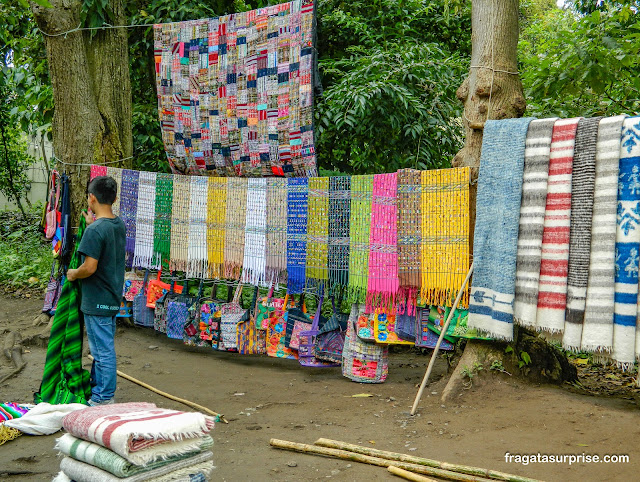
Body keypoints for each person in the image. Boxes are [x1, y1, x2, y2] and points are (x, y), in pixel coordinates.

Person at [66, 176, 125, 406]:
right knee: (103, 347)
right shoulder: (117, 224)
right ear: (115, 198)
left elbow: (89, 267)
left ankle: (103, 398)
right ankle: (99, 392)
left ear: (92, 198)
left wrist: (73, 273)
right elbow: (104, 234)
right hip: (110, 296)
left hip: (97, 299)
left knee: (102, 352)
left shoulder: (95, 231)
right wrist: (93, 224)